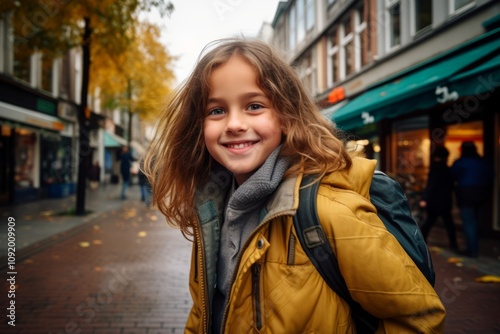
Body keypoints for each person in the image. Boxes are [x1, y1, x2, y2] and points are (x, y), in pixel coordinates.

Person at [143, 38, 445, 333]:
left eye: (254, 106)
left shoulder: (330, 209)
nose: (234, 124)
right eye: (217, 110)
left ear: (287, 116)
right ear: (200, 127)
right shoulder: (211, 210)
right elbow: (205, 313)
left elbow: (419, 317)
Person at [451, 141, 494, 257]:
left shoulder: (461, 162)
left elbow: (452, 175)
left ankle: (472, 249)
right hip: (482, 193)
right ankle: (475, 246)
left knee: (469, 221)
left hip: (466, 193)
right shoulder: (483, 162)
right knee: (476, 220)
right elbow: (491, 175)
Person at [419, 146, 458, 250]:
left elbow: (431, 185)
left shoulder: (435, 168)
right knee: (449, 224)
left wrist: (425, 199)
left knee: (429, 222)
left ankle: (421, 242)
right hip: (446, 200)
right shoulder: (448, 168)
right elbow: (452, 185)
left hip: (435, 201)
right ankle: (454, 245)